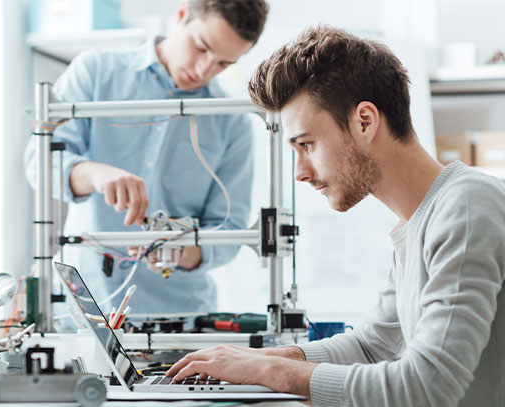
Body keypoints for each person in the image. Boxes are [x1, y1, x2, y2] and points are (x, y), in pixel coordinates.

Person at [166, 26, 505, 407]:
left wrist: (272, 373)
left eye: (306, 144)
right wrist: (254, 360)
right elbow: (373, 345)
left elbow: (428, 386)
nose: (300, 172)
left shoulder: (467, 206)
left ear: (365, 121)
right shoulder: (419, 220)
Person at [24, 0, 269, 313]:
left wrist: (184, 251)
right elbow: (39, 163)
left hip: (180, 320)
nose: (204, 69)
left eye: (223, 64)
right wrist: (96, 174)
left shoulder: (232, 120)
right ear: (181, 14)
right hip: (83, 309)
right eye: (201, 47)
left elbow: (230, 230)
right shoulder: (95, 72)